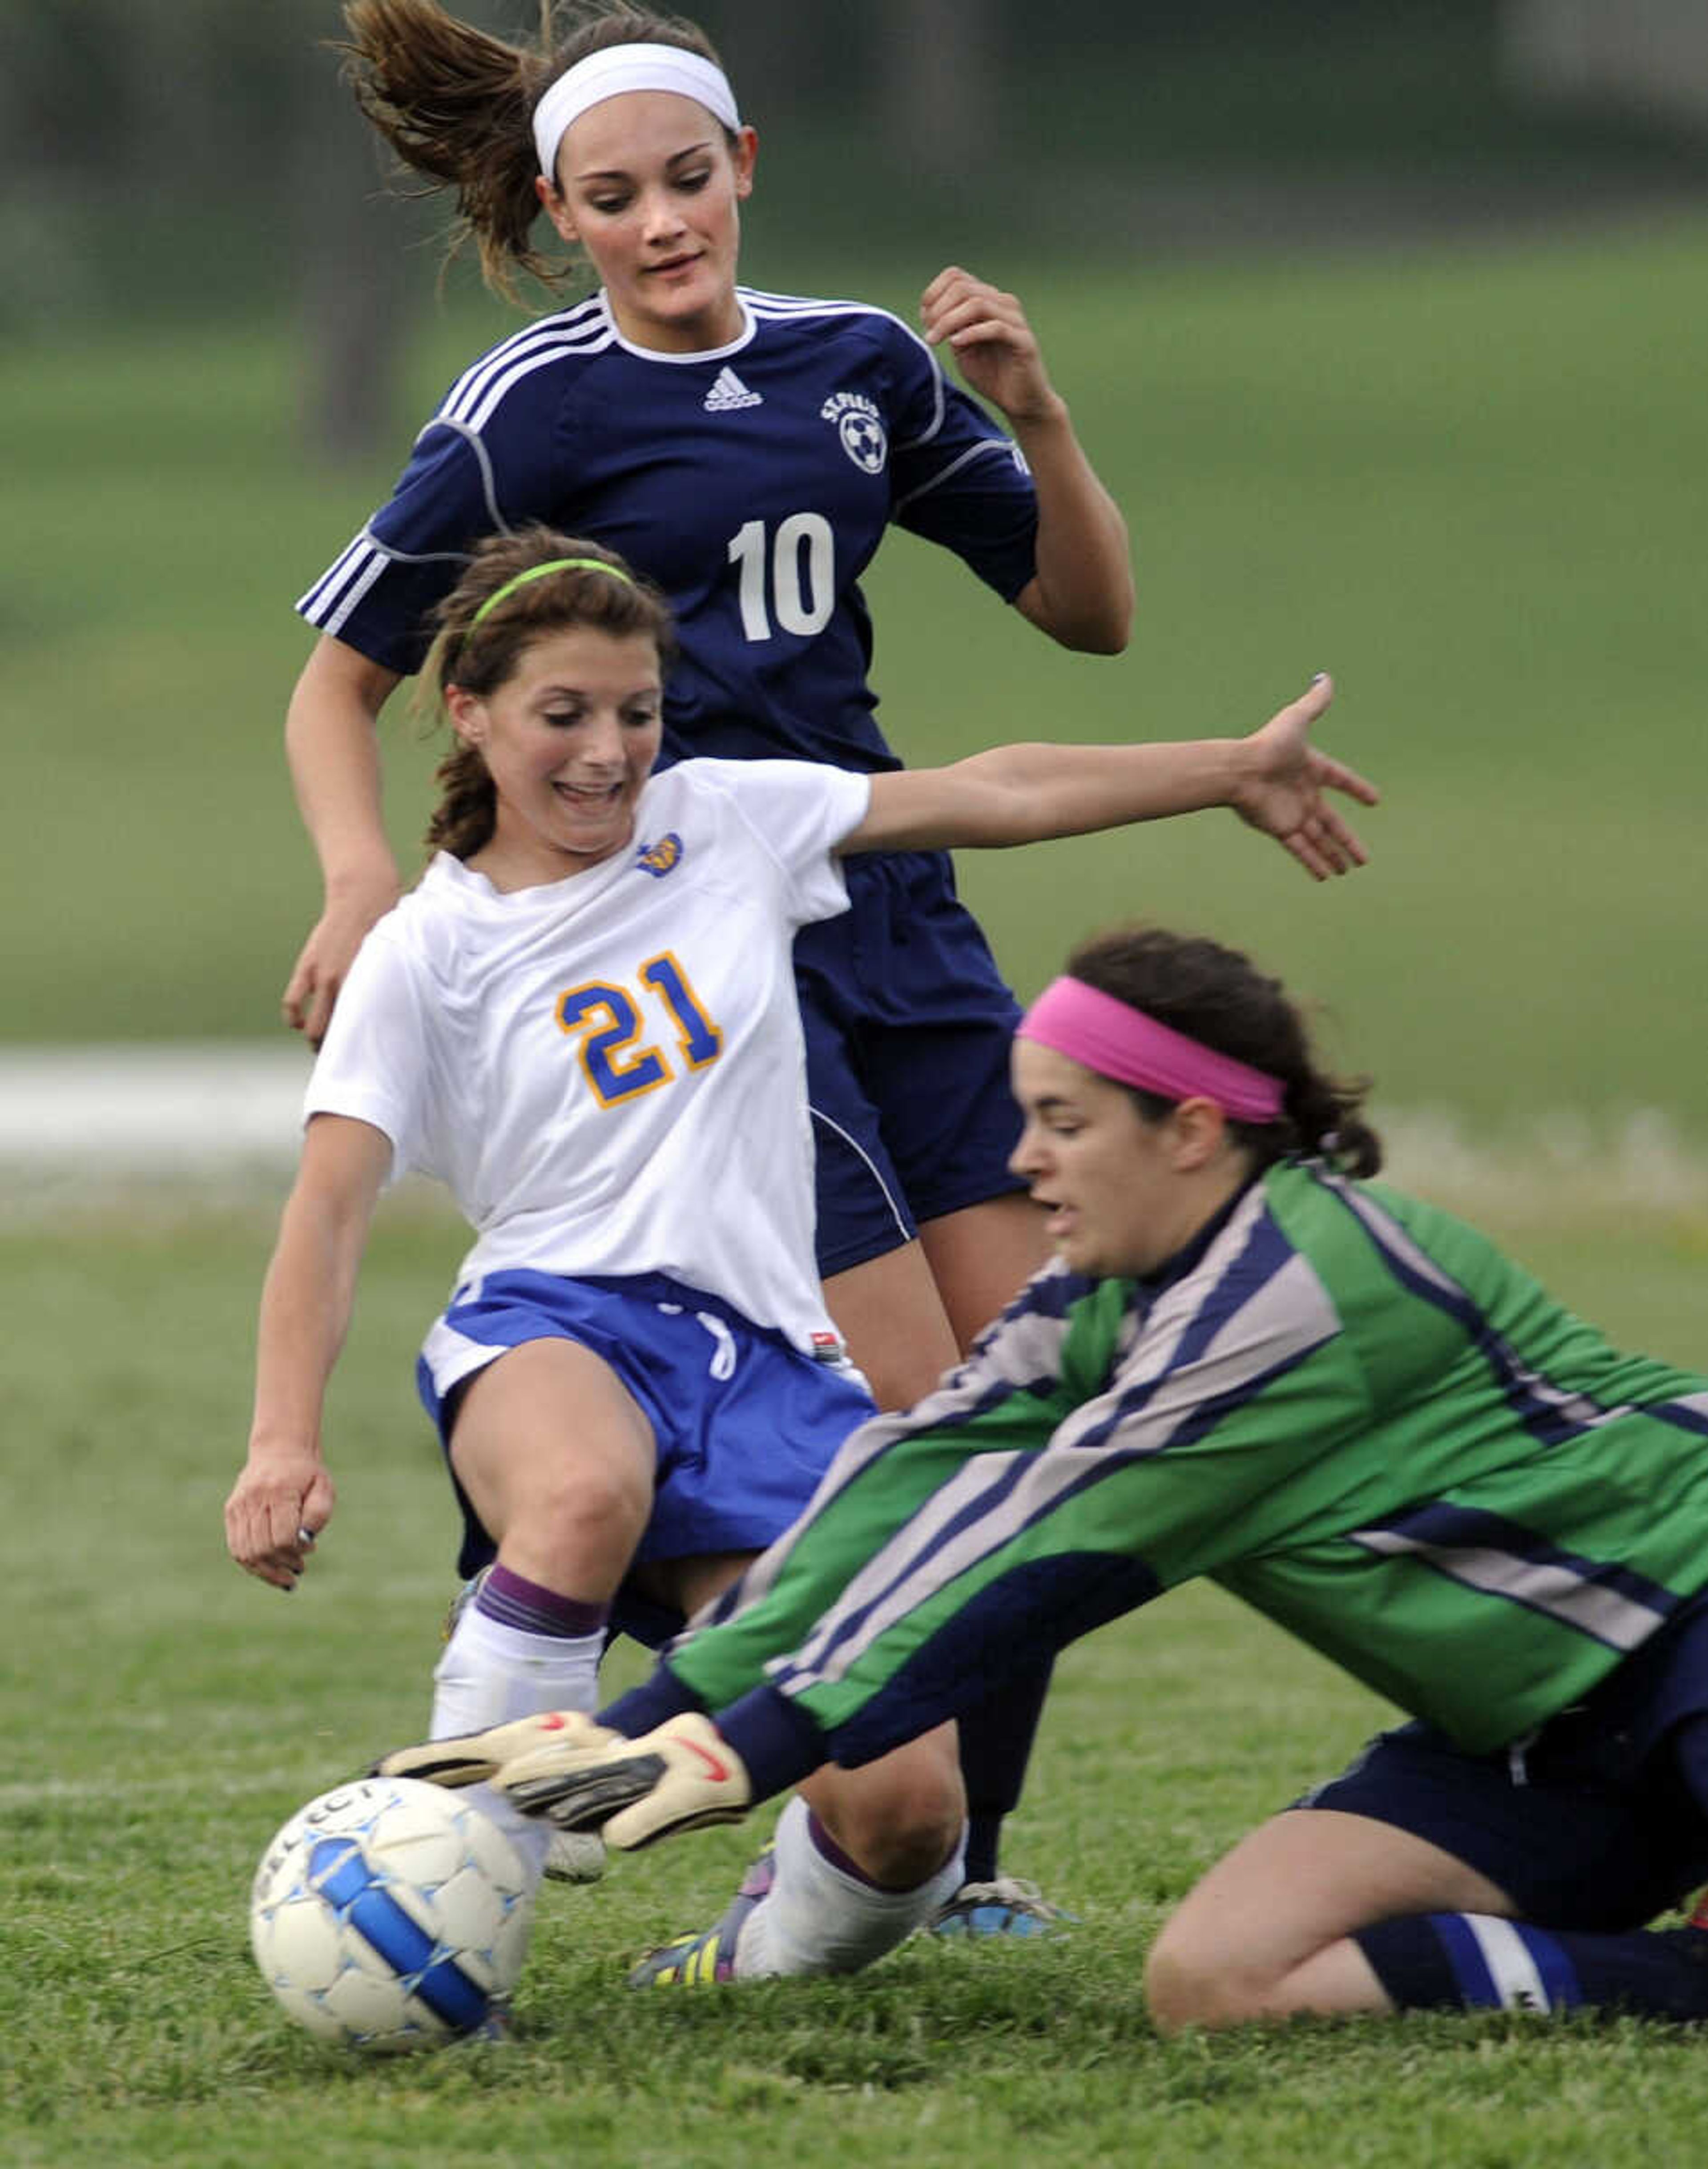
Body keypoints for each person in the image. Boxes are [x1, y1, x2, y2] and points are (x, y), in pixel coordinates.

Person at [228, 528, 1375, 1989]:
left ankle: (748, 1961)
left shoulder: (724, 821)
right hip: (552, 1324)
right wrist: (280, 1443)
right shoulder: (425, 951)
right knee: (579, 1492)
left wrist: (1226, 769)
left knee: (909, 1820)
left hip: (774, 1359)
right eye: (562, 714)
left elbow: (994, 788)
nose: (606, 752)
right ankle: (461, 1913)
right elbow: (325, 1212)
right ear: (471, 714)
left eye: (635, 712)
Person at [287, 0, 1140, 1928]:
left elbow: (1088, 621)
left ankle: (946, 1868)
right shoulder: (533, 405)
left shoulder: (861, 366)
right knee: (903, 1436)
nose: (664, 222)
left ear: (745, 165)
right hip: (707, 954)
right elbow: (336, 685)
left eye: (689, 179)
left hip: (893, 919)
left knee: (1031, 1413)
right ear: (561, 215)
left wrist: (1038, 414)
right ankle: (630, 1744)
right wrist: (358, 881)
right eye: (616, 197)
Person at [388, 919, 1708, 2027]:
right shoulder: (1100, 1293)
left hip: (1685, 1639)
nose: (1024, 1160)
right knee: (1219, 1981)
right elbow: (906, 1478)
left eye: (1064, 1122)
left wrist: (750, 1745)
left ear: (1188, 1129)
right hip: (1534, 1736)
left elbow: (1043, 1553)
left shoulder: (1297, 1293)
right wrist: (651, 1715)